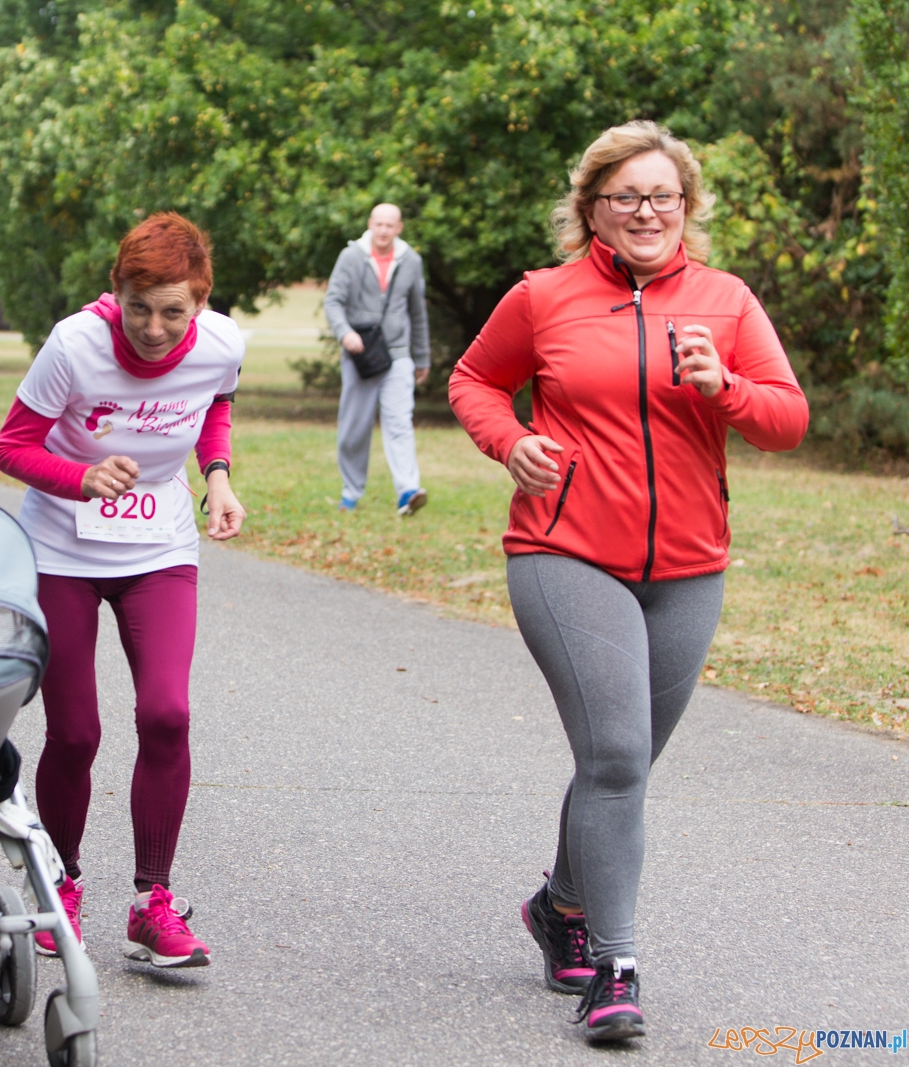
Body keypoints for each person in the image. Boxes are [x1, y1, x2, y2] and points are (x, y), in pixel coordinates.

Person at [448, 120, 808, 1042]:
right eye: (626, 197)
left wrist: (723, 384)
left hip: (689, 568)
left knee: (627, 761)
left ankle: (558, 903)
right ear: (592, 209)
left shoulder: (726, 300)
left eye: (664, 196)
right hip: (565, 552)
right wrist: (510, 440)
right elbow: (475, 382)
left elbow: (787, 419)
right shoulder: (543, 297)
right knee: (613, 755)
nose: (647, 211)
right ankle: (615, 965)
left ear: (686, 205)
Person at [0, 212, 246, 969]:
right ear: (117, 290)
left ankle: (152, 901)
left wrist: (219, 476)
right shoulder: (74, 346)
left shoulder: (225, 343)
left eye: (175, 310)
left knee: (167, 713)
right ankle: (58, 882)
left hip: (159, 544)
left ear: (201, 299)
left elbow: (215, 405)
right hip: (61, 549)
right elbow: (9, 447)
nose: (156, 329)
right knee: (76, 733)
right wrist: (82, 478)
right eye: (140, 308)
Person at [324, 202, 432, 515]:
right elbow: (333, 301)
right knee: (354, 428)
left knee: (399, 423)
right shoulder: (351, 257)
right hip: (361, 355)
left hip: (398, 354)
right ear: (371, 224)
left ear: (399, 228)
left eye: (390, 225)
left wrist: (421, 357)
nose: (384, 230)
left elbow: (417, 312)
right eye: (379, 224)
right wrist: (345, 333)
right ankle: (351, 493)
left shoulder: (410, 260)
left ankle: (408, 492)